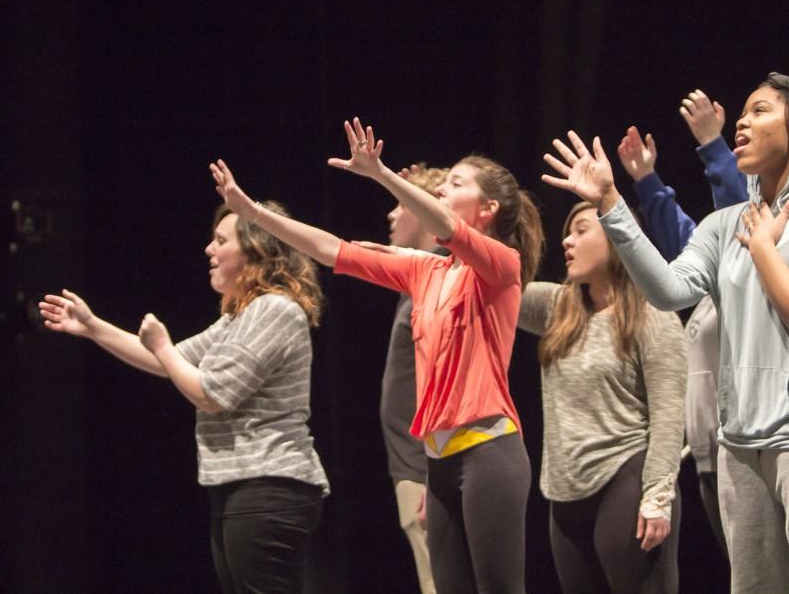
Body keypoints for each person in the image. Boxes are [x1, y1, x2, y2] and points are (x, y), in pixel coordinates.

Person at [542, 73, 789, 593]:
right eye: (742, 113)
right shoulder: (725, 223)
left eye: (761, 111)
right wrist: (611, 202)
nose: (742, 122)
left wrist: (764, 250)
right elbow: (668, 291)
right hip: (742, 447)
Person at [209, 117, 543, 594]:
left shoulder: (500, 265)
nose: (444, 190)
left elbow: (448, 228)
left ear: (488, 209)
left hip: (489, 451)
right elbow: (333, 250)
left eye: (456, 183)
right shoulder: (425, 271)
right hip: (440, 458)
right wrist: (253, 213)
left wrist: (383, 174)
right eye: (443, 183)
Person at [39, 201, 330, 594]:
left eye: (221, 240)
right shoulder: (239, 317)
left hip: (269, 483)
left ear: (255, 249)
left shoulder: (274, 310)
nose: (210, 250)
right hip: (239, 485)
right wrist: (94, 328)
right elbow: (168, 361)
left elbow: (210, 394)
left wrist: (162, 347)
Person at [518, 200, 687, 593]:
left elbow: (668, 415)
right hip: (564, 492)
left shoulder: (652, 313)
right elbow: (492, 282)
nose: (567, 241)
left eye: (580, 230)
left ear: (616, 237)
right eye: (567, 232)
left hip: (627, 482)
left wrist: (657, 497)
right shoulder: (558, 308)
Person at [617, 90, 748, 556]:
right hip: (711, 453)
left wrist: (713, 143)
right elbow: (682, 239)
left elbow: (736, 216)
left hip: (746, 447)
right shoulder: (709, 282)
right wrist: (647, 181)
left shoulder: (747, 267)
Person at [379, 164, 448, 594]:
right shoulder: (420, 277)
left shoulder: (440, 279)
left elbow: (444, 380)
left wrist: (433, 475)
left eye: (401, 204)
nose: (391, 214)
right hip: (413, 464)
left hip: (425, 467)